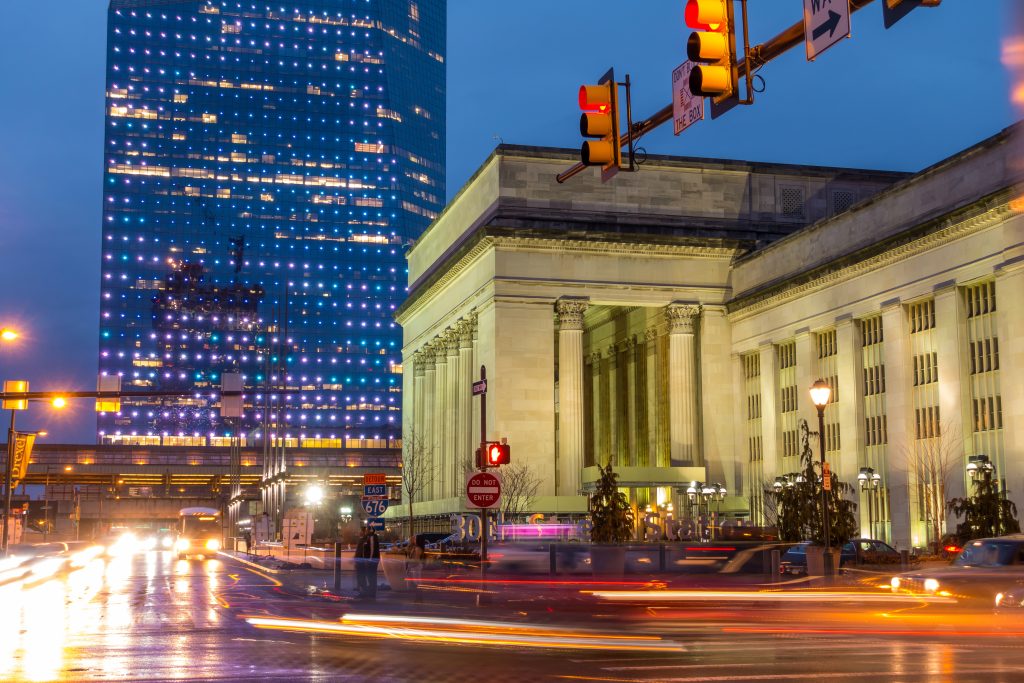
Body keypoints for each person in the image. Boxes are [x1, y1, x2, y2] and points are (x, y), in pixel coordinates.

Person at [365, 526, 380, 600]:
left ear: (369, 531)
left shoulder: (371, 537)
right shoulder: (372, 537)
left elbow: (372, 549)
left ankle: (372, 593)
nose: (365, 532)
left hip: (372, 560)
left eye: (366, 530)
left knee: (371, 576)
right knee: (371, 576)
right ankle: (372, 592)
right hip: (374, 559)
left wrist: (369, 560)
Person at [354, 527, 369, 596]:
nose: (359, 532)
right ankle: (360, 588)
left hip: (361, 560)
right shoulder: (362, 539)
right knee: (359, 575)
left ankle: (363, 591)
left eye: (360, 531)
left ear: (363, 532)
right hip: (359, 560)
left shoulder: (364, 540)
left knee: (361, 576)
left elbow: (362, 551)